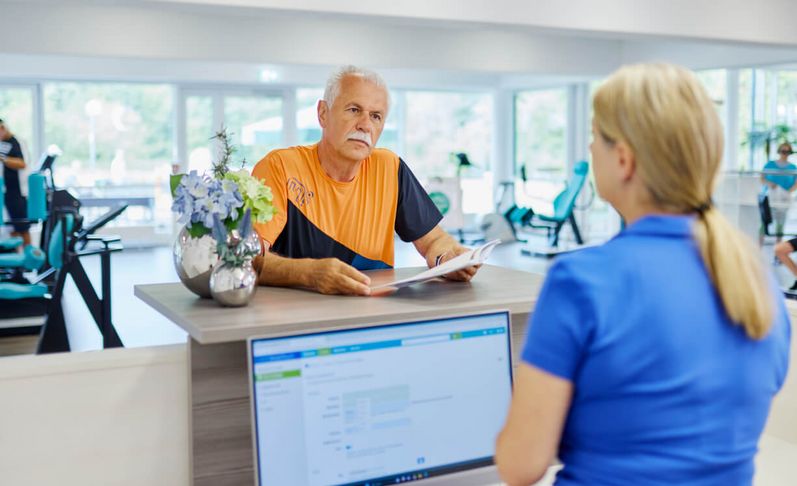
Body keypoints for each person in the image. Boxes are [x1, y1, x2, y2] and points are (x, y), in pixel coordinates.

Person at [495, 63, 790, 485]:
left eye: (594, 139)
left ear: (623, 159)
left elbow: (520, 465)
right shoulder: (756, 279)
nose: (590, 151)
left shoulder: (581, 281)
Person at [251, 66, 478, 295]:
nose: (365, 125)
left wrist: (447, 259)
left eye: (376, 116)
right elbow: (247, 257)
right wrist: (308, 273)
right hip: (296, 316)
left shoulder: (390, 168)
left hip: (374, 313)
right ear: (323, 113)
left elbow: (434, 241)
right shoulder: (279, 167)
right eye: (353, 110)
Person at [0, 118, 31, 246]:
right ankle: (17, 258)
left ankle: (29, 261)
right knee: (11, 228)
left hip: (18, 193)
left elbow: (22, 163)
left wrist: (4, 159)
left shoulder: (16, 142)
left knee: (22, 228)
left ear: (2, 128)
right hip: (5, 192)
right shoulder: (2, 143)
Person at [761, 142, 797, 243]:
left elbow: (796, 183)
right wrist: (770, 184)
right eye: (783, 151)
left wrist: (788, 192)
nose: (785, 154)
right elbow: (762, 178)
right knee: (764, 224)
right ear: (779, 151)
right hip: (770, 199)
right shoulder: (770, 164)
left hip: (784, 200)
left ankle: (778, 249)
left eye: (787, 151)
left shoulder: (793, 168)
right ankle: (758, 250)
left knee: (780, 224)